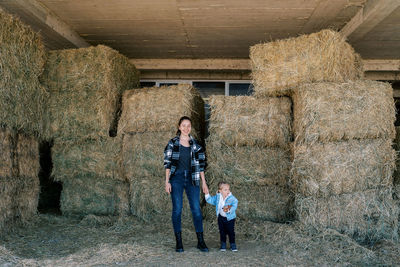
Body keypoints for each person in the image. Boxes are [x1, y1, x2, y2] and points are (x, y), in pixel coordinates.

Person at [164, 116, 209, 252]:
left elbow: (201, 166)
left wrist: (204, 183)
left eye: (188, 126)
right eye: (183, 125)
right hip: (176, 178)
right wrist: (167, 182)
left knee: (196, 208)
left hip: (192, 179)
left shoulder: (197, 146)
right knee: (177, 209)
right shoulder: (172, 143)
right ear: (179, 127)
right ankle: (179, 242)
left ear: (191, 128)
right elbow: (167, 164)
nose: (186, 128)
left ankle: (200, 241)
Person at [205, 181, 238, 252]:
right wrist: (207, 194)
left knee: (230, 231)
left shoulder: (231, 198)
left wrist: (229, 210)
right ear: (220, 191)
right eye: (225, 190)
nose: (228, 191)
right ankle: (223, 244)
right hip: (221, 217)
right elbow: (210, 200)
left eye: (228, 189)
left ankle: (232, 244)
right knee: (222, 231)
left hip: (230, 218)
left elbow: (235, 204)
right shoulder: (218, 197)